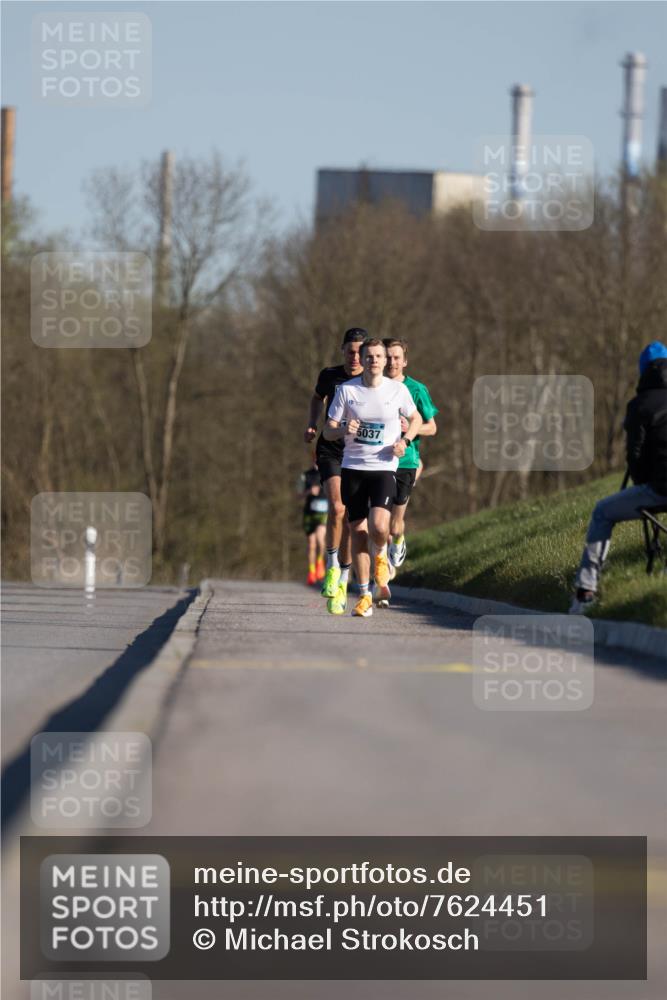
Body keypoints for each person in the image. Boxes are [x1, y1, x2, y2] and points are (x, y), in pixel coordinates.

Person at [324, 338, 422, 617]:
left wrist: (406, 440)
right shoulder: (346, 390)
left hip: (383, 468)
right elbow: (328, 431)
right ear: (363, 360)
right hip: (353, 468)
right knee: (357, 531)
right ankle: (365, 594)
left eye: (379, 356)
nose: (375, 361)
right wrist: (344, 427)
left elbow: (415, 419)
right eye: (370, 356)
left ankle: (381, 554)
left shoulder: (398, 390)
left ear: (383, 360)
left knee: (380, 526)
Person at [569, 341, 667, 613]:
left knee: (603, 512)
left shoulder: (639, 405)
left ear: (643, 371)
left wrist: (643, 481)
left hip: (659, 490)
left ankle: (585, 593)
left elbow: (634, 457)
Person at [304, 327, 367, 614]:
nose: (355, 357)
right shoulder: (329, 375)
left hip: (359, 452)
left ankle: (343, 576)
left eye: (360, 352)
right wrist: (312, 423)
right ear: (342, 349)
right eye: (350, 351)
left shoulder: (372, 380)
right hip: (330, 447)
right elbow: (317, 398)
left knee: (354, 519)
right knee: (337, 509)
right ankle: (330, 566)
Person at [383, 338, 439, 574]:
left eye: (397, 358)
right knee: (378, 521)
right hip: (378, 461)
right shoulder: (373, 386)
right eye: (388, 357)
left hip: (406, 460)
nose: (392, 362)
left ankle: (398, 539)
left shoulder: (416, 389)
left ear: (404, 361)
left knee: (395, 525)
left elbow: (432, 427)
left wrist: (409, 430)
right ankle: (382, 575)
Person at [298, 465, 328, 585]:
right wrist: (308, 492)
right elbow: (298, 496)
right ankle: (311, 572)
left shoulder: (329, 472)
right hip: (309, 513)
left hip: (323, 512)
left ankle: (320, 561)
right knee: (311, 544)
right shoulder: (305, 476)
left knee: (320, 540)